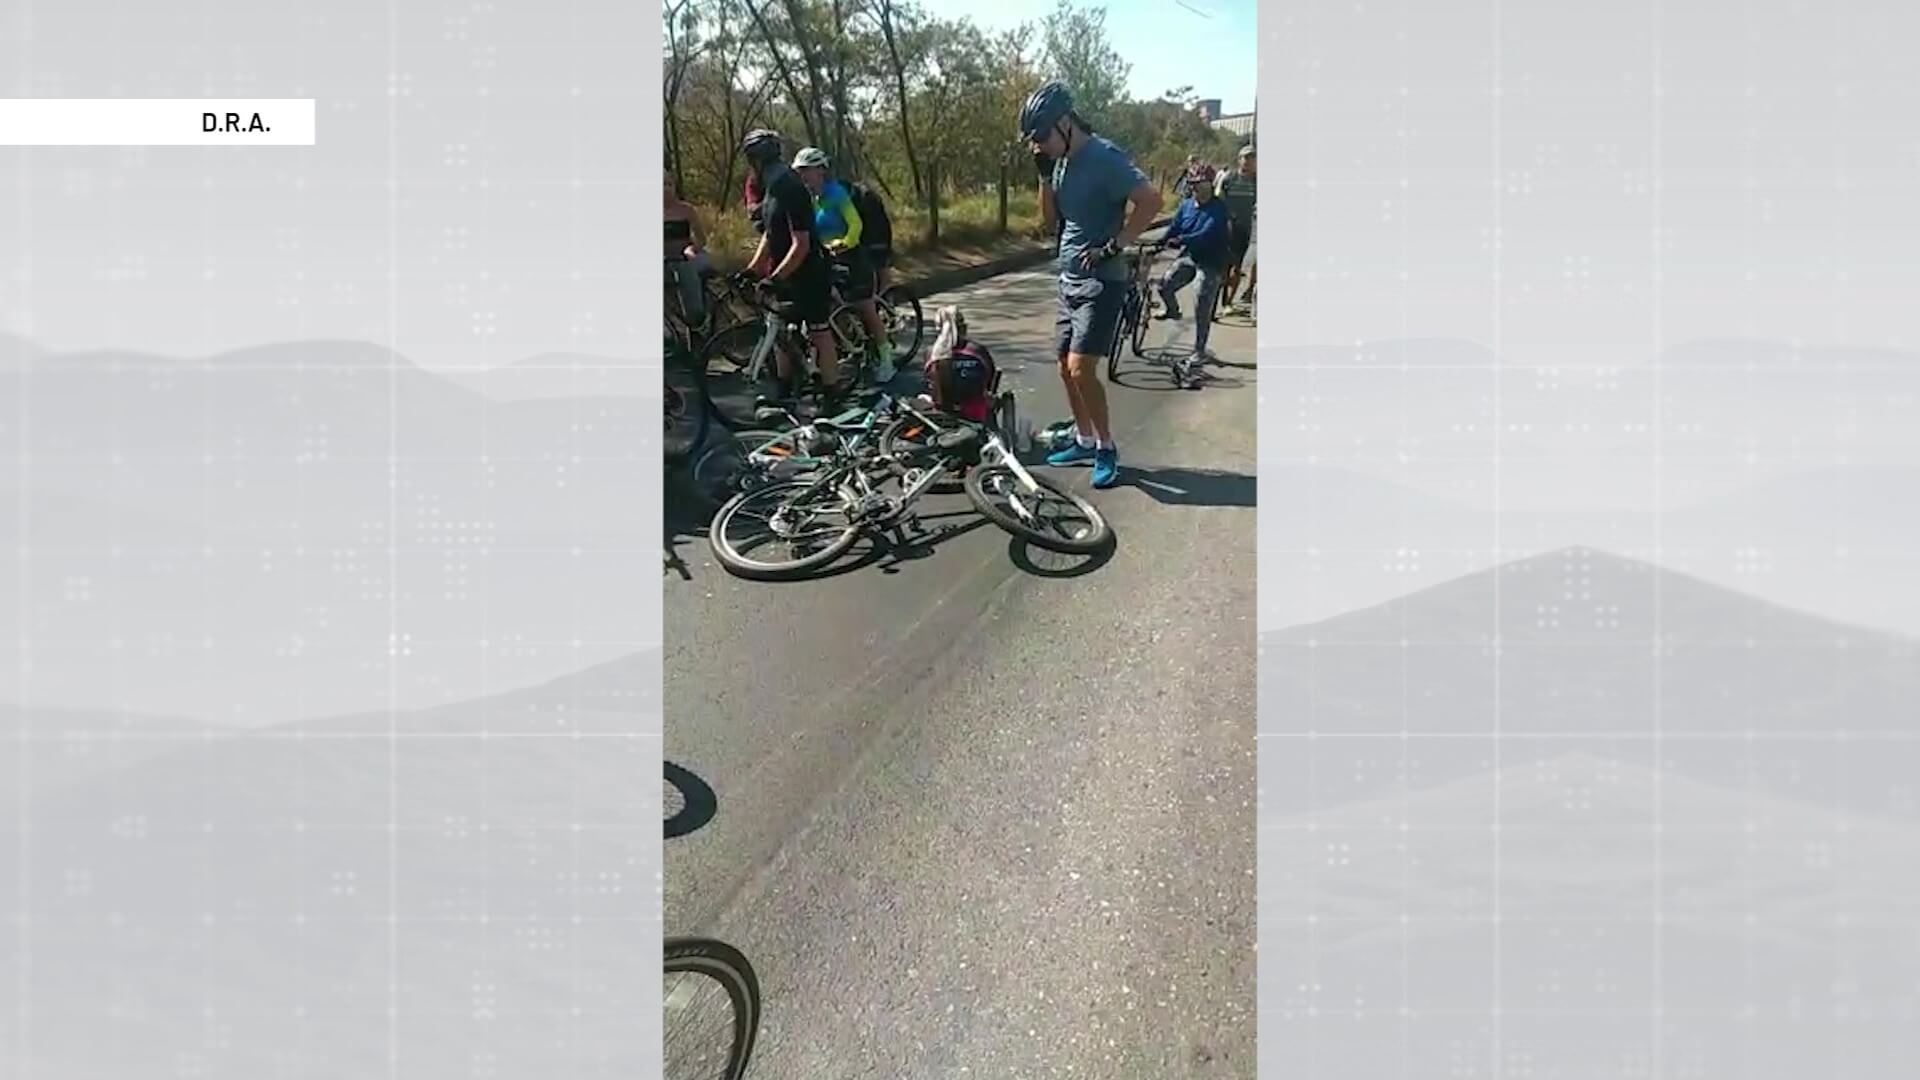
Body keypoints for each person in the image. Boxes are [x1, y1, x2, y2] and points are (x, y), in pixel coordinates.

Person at [1022, 80, 1163, 489]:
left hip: (1102, 280)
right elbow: (1051, 224)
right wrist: (1045, 178)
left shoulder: (1105, 157)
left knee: (1081, 369)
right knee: (1065, 369)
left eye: (1042, 135)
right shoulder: (1061, 161)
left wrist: (1115, 244)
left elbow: (1151, 201)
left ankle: (1106, 447)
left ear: (1065, 123)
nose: (1040, 144)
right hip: (1069, 279)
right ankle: (1084, 439)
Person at [738, 128, 842, 414]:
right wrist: (753, 269)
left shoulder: (790, 188)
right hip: (787, 270)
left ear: (756, 160)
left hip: (809, 274)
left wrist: (775, 278)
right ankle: (784, 389)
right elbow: (771, 235)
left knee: (819, 332)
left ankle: (832, 392)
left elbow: (802, 244)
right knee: (779, 329)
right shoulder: (773, 186)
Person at [791, 146, 894, 384]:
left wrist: (843, 242)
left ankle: (887, 359)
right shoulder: (809, 199)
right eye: (799, 171)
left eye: (807, 170)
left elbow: (855, 225)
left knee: (865, 307)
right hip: (825, 260)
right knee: (827, 311)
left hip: (851, 257)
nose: (803, 176)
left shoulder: (837, 194)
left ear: (821, 171)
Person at [1157, 163, 1231, 373]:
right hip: (1190, 257)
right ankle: (1173, 310)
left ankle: (1199, 349)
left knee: (1201, 303)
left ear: (1211, 184)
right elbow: (1174, 227)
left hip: (1211, 263)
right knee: (1164, 285)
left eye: (1200, 183)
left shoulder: (1219, 208)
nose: (1196, 187)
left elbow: (1208, 233)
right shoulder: (1187, 205)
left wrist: (1182, 239)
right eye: (1193, 184)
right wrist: (1162, 241)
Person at [663, 169, 710, 328]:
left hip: (686, 256)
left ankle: (697, 318)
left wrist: (692, 249)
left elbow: (701, 239)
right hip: (664, 259)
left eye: (669, 184)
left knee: (689, 269)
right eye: (662, 185)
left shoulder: (686, 210)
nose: (666, 189)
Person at [1218, 144, 1257, 308]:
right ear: (1239, 160)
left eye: (1252, 158)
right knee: (1221, 266)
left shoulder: (1257, 181)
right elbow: (1218, 196)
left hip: (1244, 229)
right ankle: (1218, 294)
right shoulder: (1229, 177)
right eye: (1245, 158)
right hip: (1224, 227)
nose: (1248, 161)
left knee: (1236, 267)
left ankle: (1229, 302)